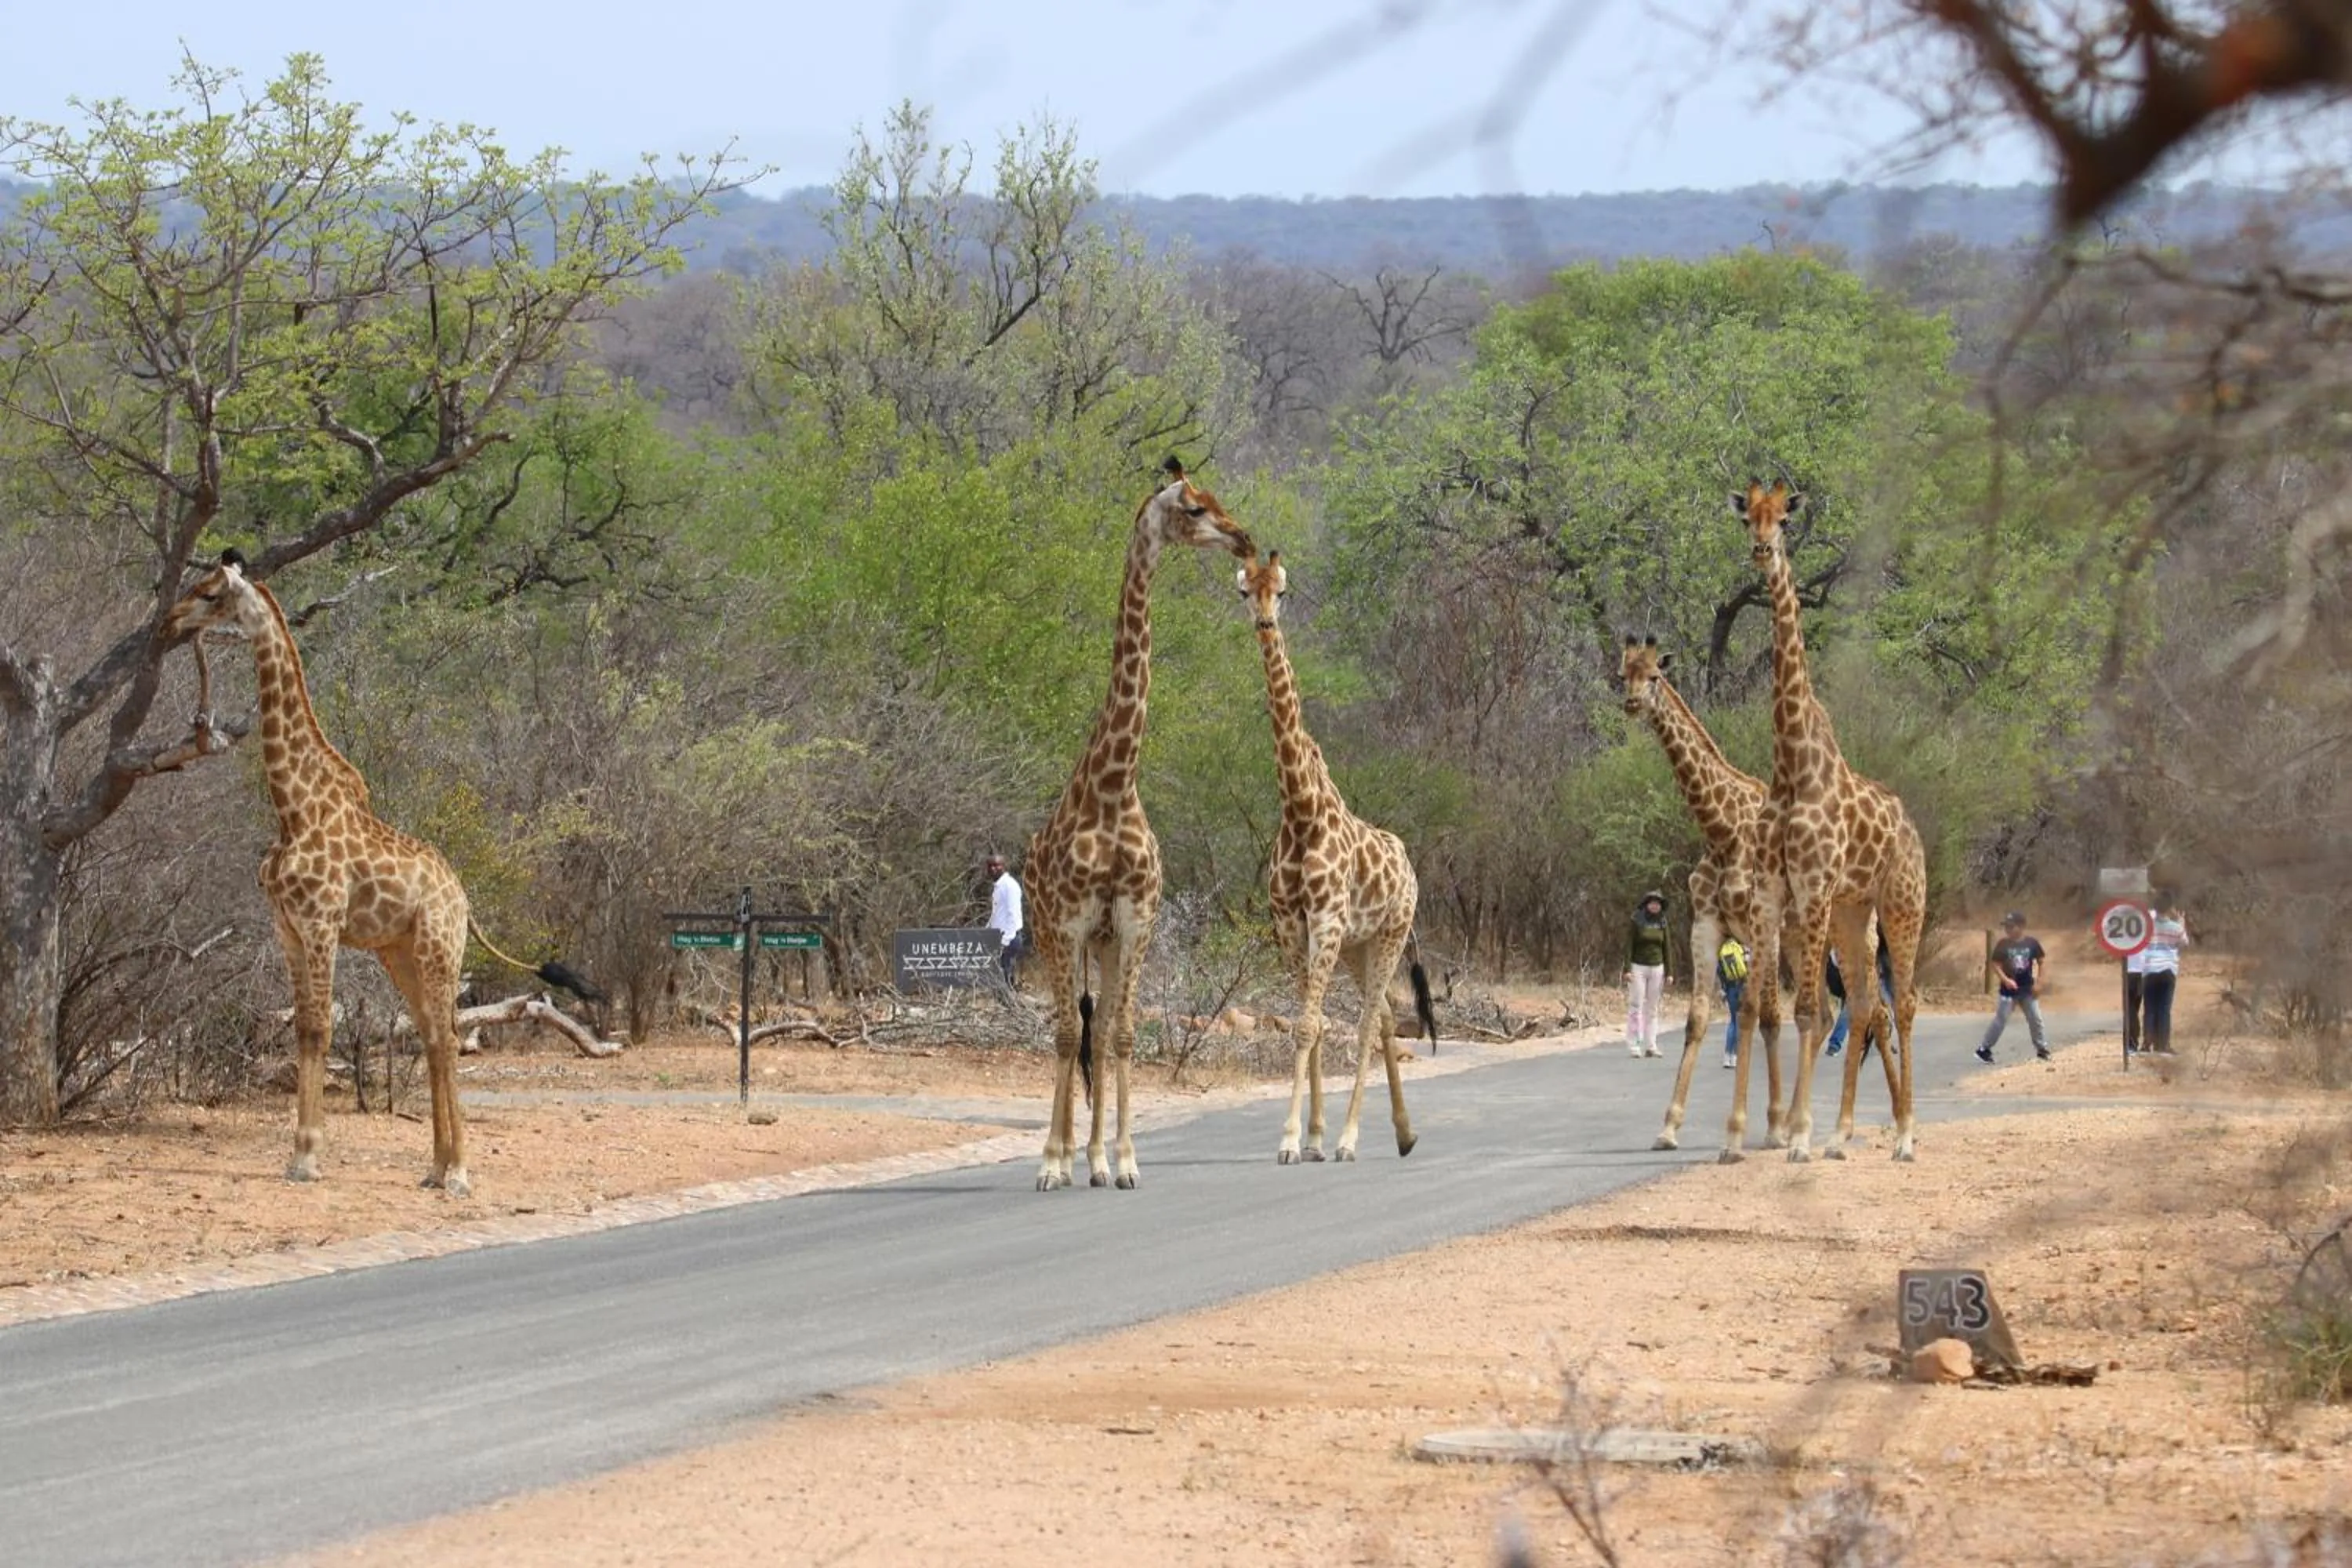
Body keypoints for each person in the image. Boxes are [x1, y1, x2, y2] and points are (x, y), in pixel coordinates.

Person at [1976, 910, 2049, 1064]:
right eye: (2006, 927)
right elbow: (1995, 964)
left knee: (2035, 1019)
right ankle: (1984, 1049)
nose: (2008, 930)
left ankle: (2042, 1049)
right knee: (2001, 1020)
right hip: (2008, 991)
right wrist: (2005, 980)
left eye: (2011, 927)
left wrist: (2040, 982)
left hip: (2027, 989)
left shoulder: (2031, 943)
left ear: (2021, 927)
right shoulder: (2003, 944)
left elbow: (2042, 961)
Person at [1625, 890, 1669, 1058]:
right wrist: (1628, 969)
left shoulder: (1663, 922)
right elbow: (1629, 945)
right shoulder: (1637, 920)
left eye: (1657, 903)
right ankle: (1635, 1044)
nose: (1654, 905)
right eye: (1652, 902)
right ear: (1646, 904)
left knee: (1653, 1008)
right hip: (1638, 967)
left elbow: (1667, 947)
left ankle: (1651, 1045)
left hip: (1657, 967)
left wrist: (1670, 972)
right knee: (1636, 1005)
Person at [2139, 900, 2187, 1055]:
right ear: (2170, 908)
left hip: (2150, 968)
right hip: (2168, 969)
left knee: (2150, 1007)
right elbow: (2184, 944)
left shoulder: (2147, 926)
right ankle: (2163, 1045)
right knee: (2164, 1008)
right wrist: (2181, 924)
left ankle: (2147, 1044)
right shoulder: (2176, 927)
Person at [985, 853, 1025, 987]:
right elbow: (997, 914)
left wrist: (1006, 940)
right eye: (990, 866)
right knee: (1000, 975)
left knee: (1005, 975)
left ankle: (1009, 1006)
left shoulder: (1010, 886)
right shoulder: (998, 887)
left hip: (1010, 938)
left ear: (1003, 866)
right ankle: (1006, 1004)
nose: (993, 869)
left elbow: (1013, 915)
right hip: (998, 937)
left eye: (996, 866)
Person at [1717, 933, 1750, 1069]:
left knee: (1732, 1021)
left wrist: (1723, 990)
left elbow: (1720, 972)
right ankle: (1736, 1055)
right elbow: (1749, 969)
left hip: (1729, 987)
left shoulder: (1722, 950)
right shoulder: (1741, 949)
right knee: (1740, 1022)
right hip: (1741, 987)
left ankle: (1727, 1055)